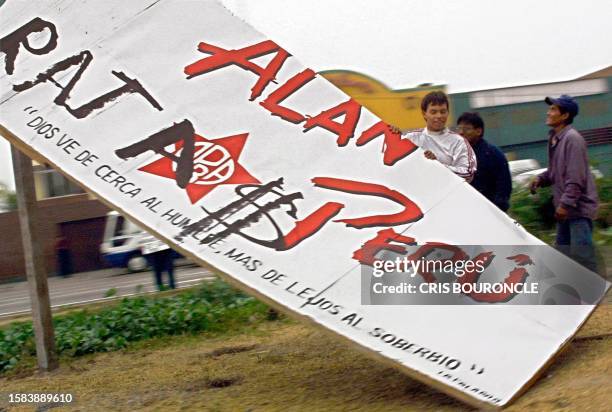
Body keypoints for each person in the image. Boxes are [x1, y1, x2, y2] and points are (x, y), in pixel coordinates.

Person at [529, 95, 598, 271]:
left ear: (564, 115)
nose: (548, 112)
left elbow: (576, 178)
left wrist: (564, 205)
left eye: (553, 109)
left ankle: (594, 296)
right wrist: (541, 179)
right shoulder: (556, 139)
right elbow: (556, 171)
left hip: (577, 210)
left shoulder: (572, 139)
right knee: (563, 258)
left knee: (583, 258)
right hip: (566, 210)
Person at [403, 91, 476, 182]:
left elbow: (468, 174)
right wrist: (391, 134)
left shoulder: (459, 142)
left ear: (448, 113)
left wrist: (437, 165)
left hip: (447, 194)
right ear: (424, 114)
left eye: (443, 111)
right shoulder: (412, 138)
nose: (439, 116)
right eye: (433, 112)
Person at [456, 112, 512, 211]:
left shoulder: (492, 154)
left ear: (478, 131)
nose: (461, 132)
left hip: (491, 211)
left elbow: (504, 185)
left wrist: (498, 209)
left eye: (466, 129)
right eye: (459, 128)